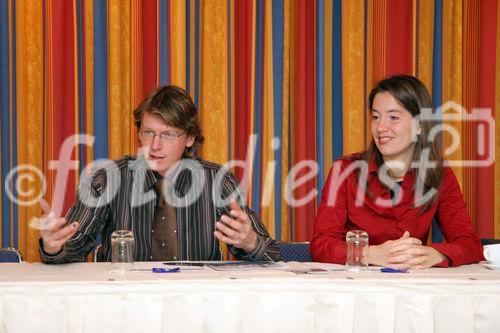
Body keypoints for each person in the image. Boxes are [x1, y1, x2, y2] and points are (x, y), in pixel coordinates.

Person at [39, 85, 280, 263]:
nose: (154, 145)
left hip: (195, 305)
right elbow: (72, 247)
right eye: (148, 133)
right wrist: (53, 247)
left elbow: (271, 255)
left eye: (167, 134)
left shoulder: (217, 181)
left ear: (189, 138)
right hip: (123, 305)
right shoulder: (108, 178)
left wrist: (250, 242)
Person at [311, 75, 484, 269]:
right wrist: (370, 254)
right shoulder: (344, 171)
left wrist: (436, 254)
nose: (381, 127)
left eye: (393, 117)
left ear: (419, 125)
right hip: (357, 288)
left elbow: (470, 244)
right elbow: (321, 245)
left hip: (413, 289)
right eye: (376, 117)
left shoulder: (439, 174)